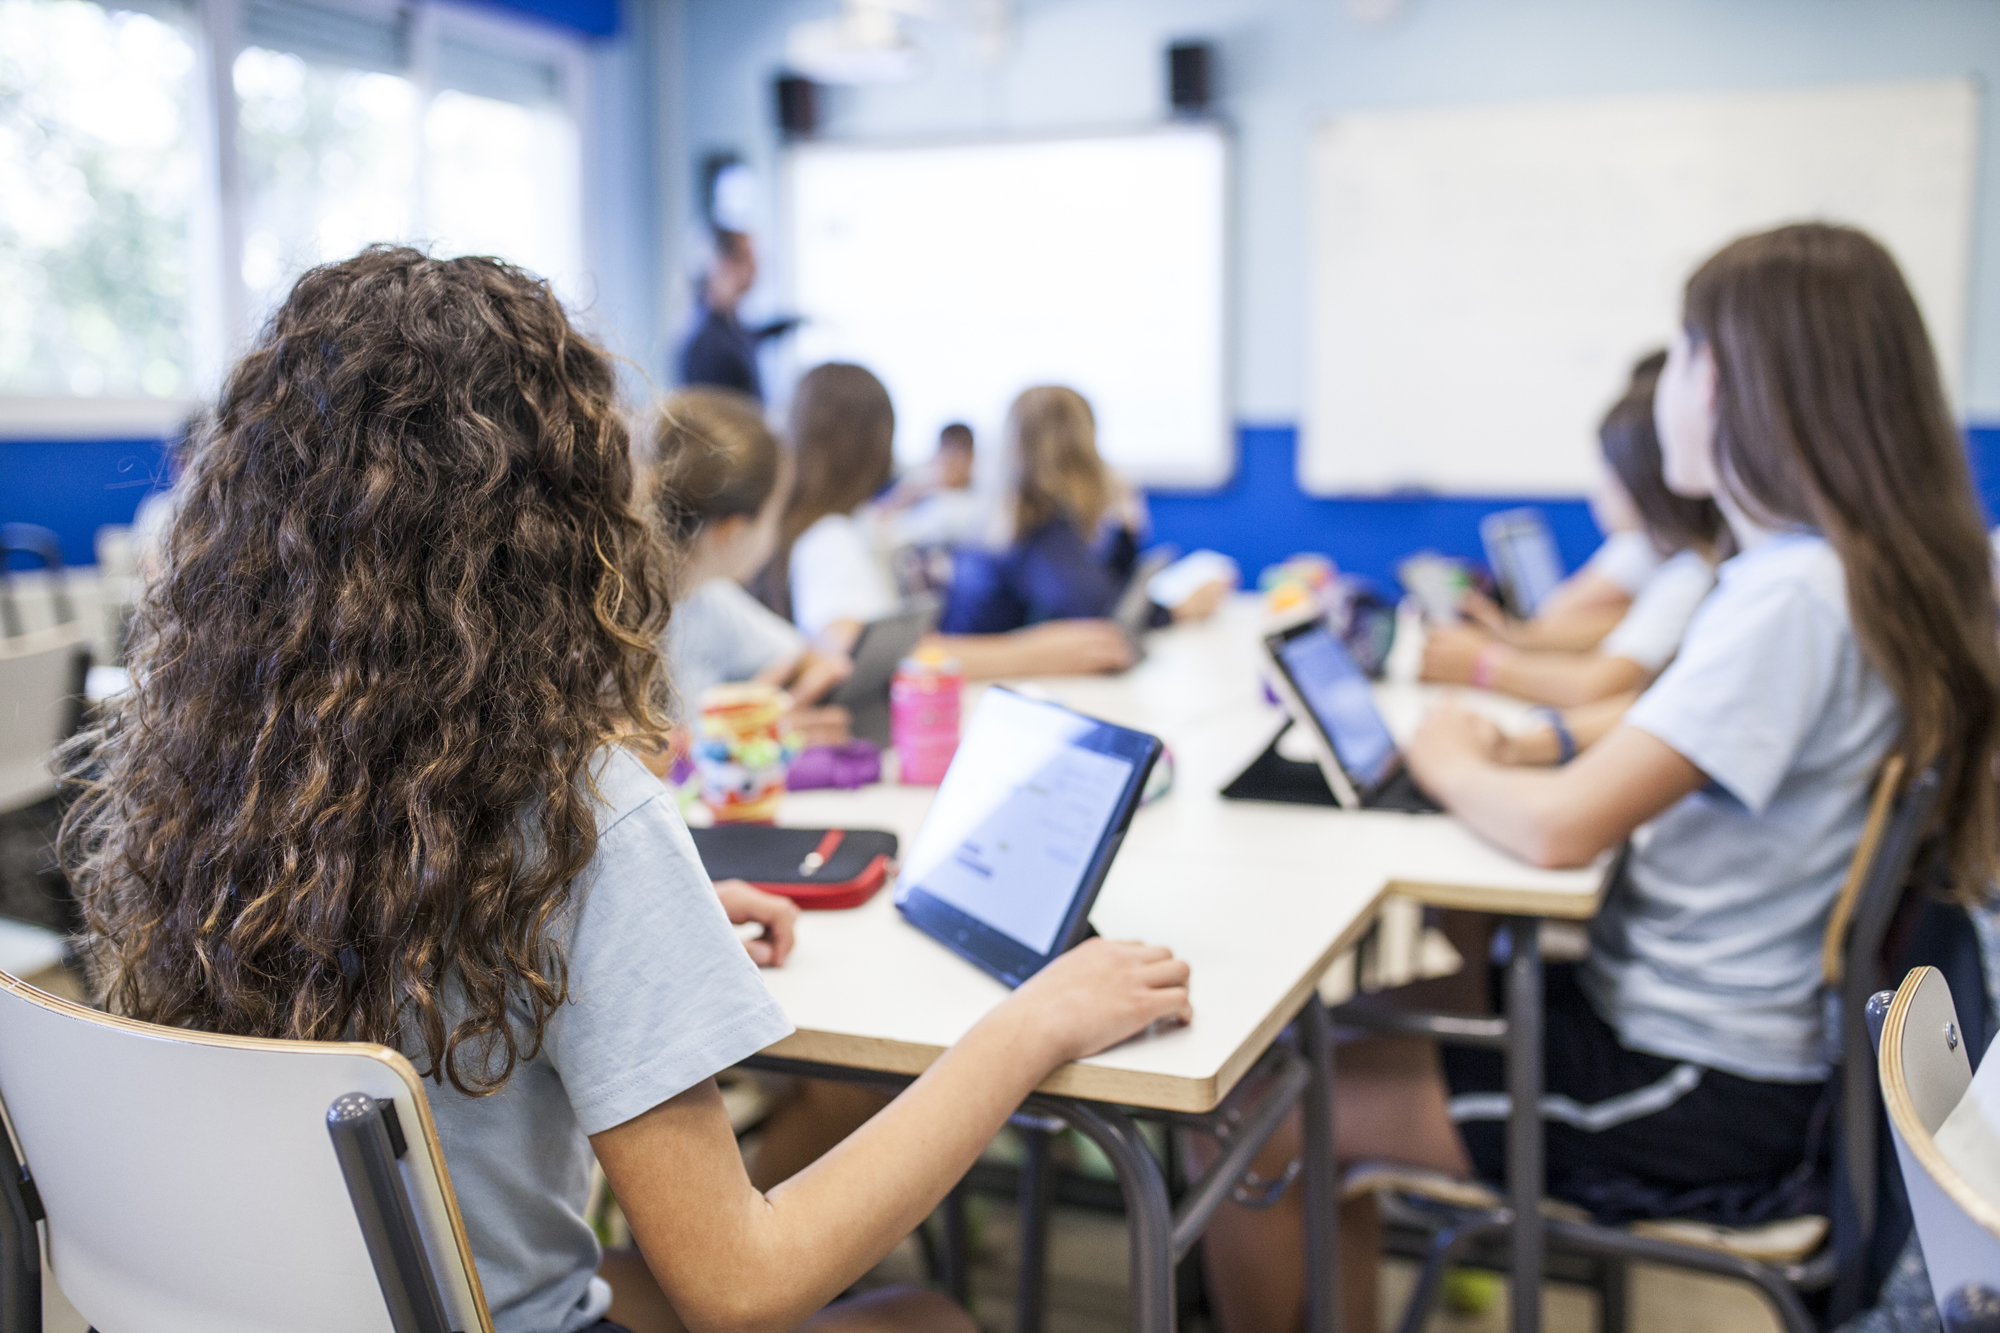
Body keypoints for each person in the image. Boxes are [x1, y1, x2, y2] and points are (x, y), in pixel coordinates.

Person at [61, 248, 1194, 1333]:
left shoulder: (216, 772)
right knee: (932, 1319)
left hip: (291, 1303)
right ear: (568, 517)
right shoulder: (575, 810)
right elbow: (739, 1286)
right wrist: (1028, 1025)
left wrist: (645, 935)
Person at [1197, 223, 2000, 1331]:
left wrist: (1437, 746)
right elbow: (1672, 724)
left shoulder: (1788, 595)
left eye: (1681, 352)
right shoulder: (1838, 572)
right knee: (1300, 1047)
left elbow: (1561, 834)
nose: (1663, 385)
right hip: (1719, 1039)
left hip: (1696, 1085)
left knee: (1250, 1107)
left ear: (1746, 385)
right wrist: (1548, 740)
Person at [1421, 352, 1729, 710]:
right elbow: (1625, 627)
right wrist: (1515, 639)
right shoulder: (1688, 567)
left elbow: (1594, 685)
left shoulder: (1689, 573)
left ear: (1639, 482)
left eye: (1608, 470)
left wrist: (1481, 665)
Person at [937, 385, 1231, 645]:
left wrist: (1124, 540)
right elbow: (1101, 617)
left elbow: (1095, 592)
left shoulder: (1009, 518)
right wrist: (1176, 610)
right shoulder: (1039, 528)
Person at [645, 387, 850, 740]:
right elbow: (626, 757)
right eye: (775, 514)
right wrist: (744, 732)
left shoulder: (706, 595)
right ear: (733, 531)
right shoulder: (618, 615)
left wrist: (805, 678)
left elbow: (804, 657)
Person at [676, 230, 796, 403]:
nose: (755, 267)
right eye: (746, 257)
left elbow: (753, 336)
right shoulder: (706, 340)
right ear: (720, 262)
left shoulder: (729, 324)